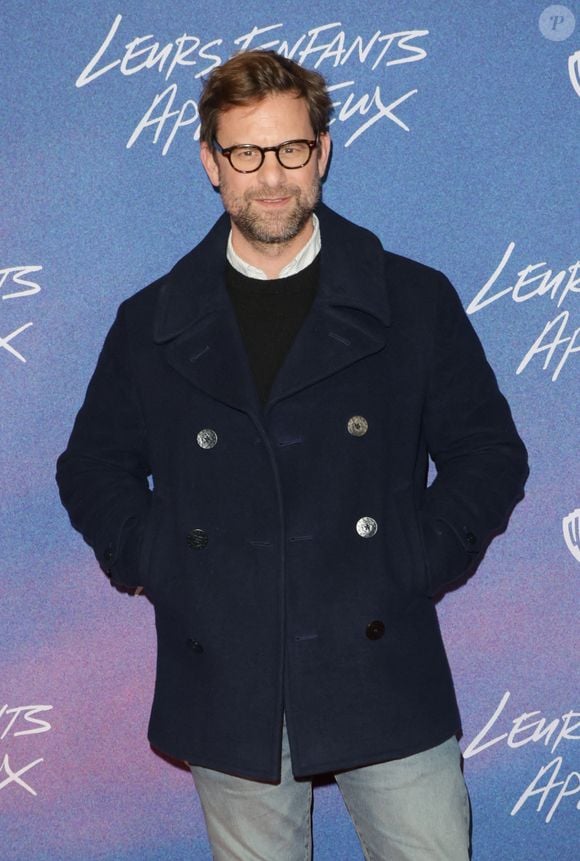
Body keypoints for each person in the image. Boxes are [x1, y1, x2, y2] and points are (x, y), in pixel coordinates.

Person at [56, 50, 528, 861]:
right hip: (229, 671)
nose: (270, 177)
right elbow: (91, 466)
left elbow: (488, 452)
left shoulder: (410, 300)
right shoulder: (155, 320)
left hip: (381, 657)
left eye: (290, 150)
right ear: (210, 162)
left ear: (324, 151)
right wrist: (162, 559)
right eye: (245, 152)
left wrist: (415, 554)